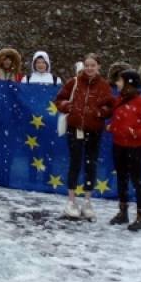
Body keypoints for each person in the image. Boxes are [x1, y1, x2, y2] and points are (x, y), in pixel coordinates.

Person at [55, 53, 114, 221]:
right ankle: (71, 201)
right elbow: (59, 100)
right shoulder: (73, 82)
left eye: (93, 65)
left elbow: (111, 106)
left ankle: (87, 202)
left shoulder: (104, 86)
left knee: (91, 164)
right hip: (74, 129)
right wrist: (68, 106)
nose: (89, 68)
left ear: (98, 67)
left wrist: (99, 112)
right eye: (87, 65)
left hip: (94, 131)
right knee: (74, 163)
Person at [107, 70, 141, 232]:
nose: (117, 83)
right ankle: (123, 212)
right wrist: (112, 127)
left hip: (136, 148)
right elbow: (119, 121)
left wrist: (137, 133)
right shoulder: (119, 99)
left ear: (128, 83)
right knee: (121, 178)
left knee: (137, 181)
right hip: (119, 145)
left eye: (120, 81)